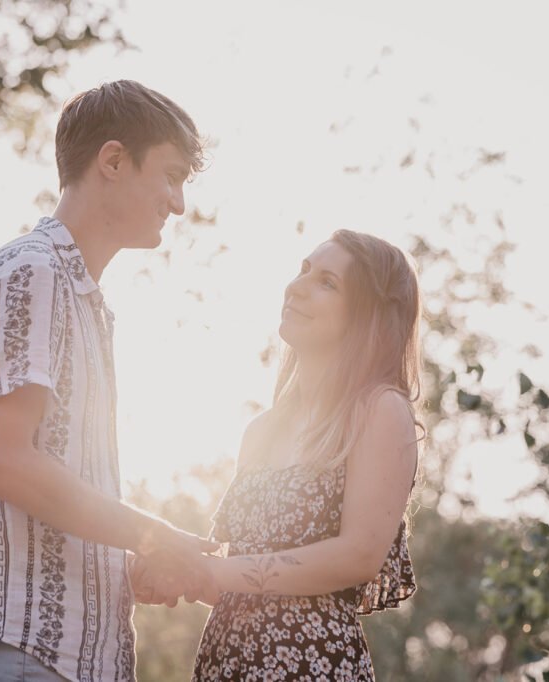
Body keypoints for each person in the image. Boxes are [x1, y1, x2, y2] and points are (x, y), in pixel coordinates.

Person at [0, 80, 216, 682]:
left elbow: (44, 487)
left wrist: (116, 568)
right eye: (170, 175)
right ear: (112, 160)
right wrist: (152, 537)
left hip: (63, 658)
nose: (178, 202)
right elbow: (6, 463)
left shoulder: (79, 296)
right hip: (30, 658)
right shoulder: (35, 272)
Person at [136, 229, 424, 680]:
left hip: (311, 663)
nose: (297, 286)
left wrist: (210, 570)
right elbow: (239, 578)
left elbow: (359, 555)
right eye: (304, 270)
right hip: (224, 661)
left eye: (327, 282)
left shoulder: (380, 409)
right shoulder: (261, 430)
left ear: (366, 316)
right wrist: (177, 573)